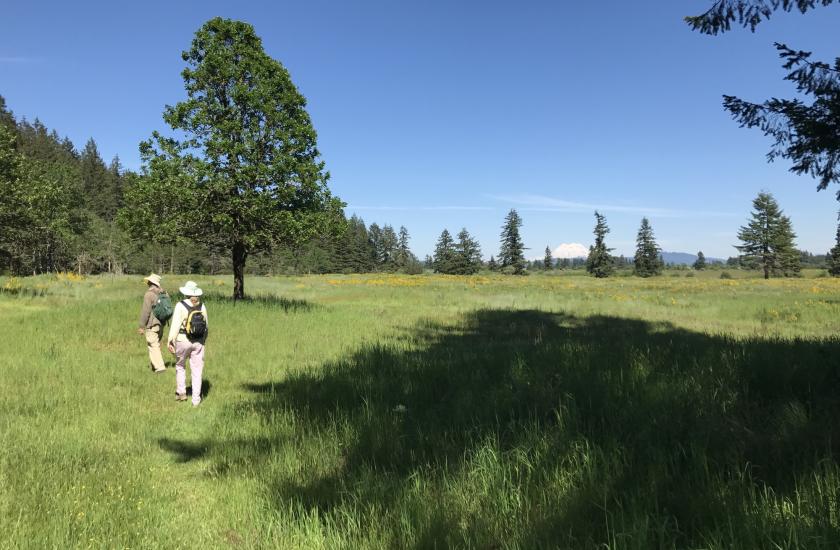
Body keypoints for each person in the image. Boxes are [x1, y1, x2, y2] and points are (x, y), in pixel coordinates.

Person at [167, 281, 208, 406]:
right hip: (198, 342)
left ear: (186, 293)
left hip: (182, 340)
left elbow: (175, 326)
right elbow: (206, 326)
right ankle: (196, 400)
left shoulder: (180, 305)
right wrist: (203, 341)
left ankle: (181, 393)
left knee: (180, 366)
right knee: (197, 370)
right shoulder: (202, 306)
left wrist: (170, 341)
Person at [138, 273, 167, 373]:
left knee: (153, 345)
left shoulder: (149, 294)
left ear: (150, 283)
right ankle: (154, 366)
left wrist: (142, 326)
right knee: (156, 344)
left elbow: (146, 311)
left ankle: (160, 367)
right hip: (162, 323)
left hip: (152, 324)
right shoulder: (164, 293)